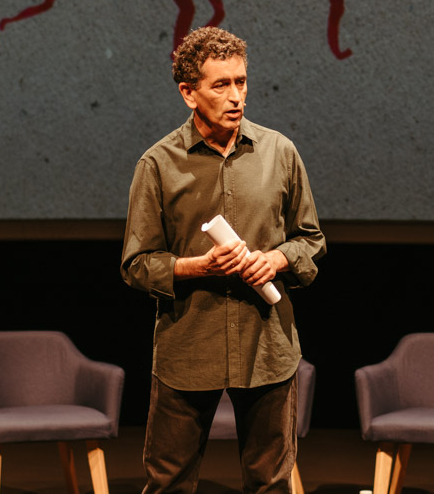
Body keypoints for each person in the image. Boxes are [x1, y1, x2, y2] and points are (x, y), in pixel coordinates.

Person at [121, 26, 326, 494]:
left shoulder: (279, 153)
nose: (237, 96)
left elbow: (311, 242)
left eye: (241, 81)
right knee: (169, 484)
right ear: (188, 93)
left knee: (271, 484)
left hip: (266, 347)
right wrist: (198, 267)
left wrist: (276, 260)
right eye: (221, 85)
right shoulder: (158, 164)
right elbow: (136, 264)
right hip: (189, 349)